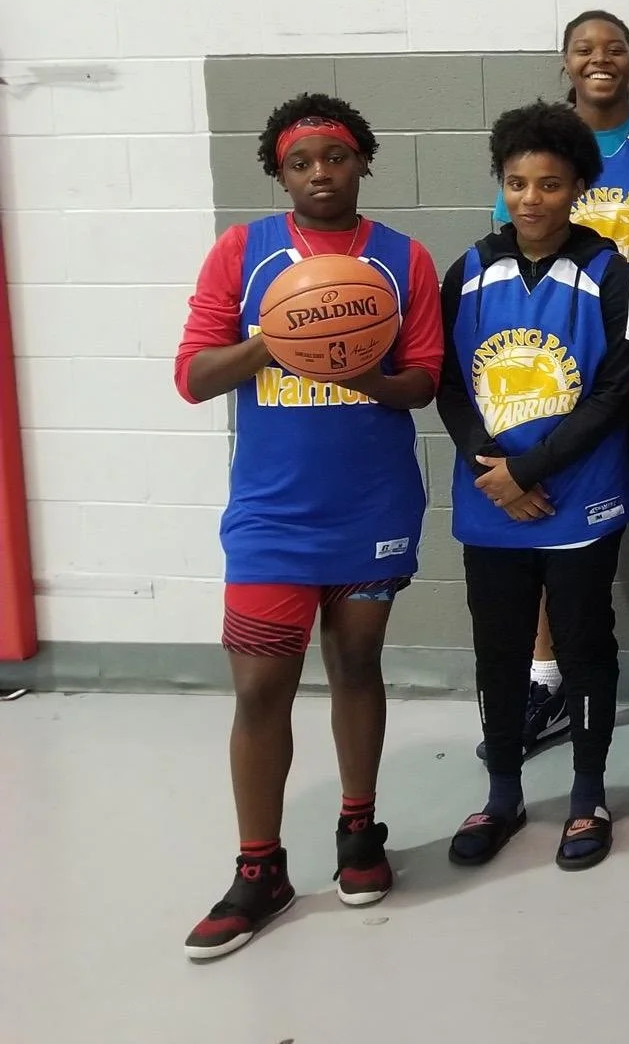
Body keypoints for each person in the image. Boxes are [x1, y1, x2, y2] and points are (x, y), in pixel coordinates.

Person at [174, 94, 441, 959]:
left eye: (336, 156)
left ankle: (359, 830)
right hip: (271, 514)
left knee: (357, 660)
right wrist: (276, 338)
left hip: (371, 505)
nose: (320, 172)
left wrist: (356, 363)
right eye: (302, 162)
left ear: (363, 159)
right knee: (260, 688)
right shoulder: (242, 253)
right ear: (279, 172)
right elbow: (194, 375)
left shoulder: (403, 260)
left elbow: (423, 383)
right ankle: (261, 869)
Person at [487, 12, 629, 769]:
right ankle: (543, 682)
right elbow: (507, 258)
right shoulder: (532, 148)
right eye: (584, 49)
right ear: (564, 62)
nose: (600, 59)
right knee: (548, 523)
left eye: (614, 48)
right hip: (558, 370)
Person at [437, 101, 629, 871]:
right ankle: (502, 793)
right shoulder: (470, 269)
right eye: (517, 182)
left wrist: (531, 468)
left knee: (586, 647)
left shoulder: (607, 273)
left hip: (576, 496)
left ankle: (588, 793)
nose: (531, 199)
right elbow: (449, 383)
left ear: (579, 186)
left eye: (549, 184)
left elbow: (615, 389)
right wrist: (495, 467)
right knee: (499, 651)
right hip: (492, 500)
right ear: (501, 184)